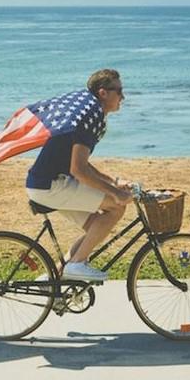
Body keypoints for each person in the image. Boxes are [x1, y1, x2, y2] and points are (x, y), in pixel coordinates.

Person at [24, 69, 132, 282]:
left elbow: (82, 166)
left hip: (47, 183)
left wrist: (113, 183)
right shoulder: (89, 117)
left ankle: (53, 278)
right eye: (119, 91)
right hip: (51, 186)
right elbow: (79, 171)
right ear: (103, 93)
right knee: (116, 207)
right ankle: (76, 264)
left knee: (96, 226)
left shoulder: (88, 111)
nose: (123, 97)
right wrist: (116, 194)